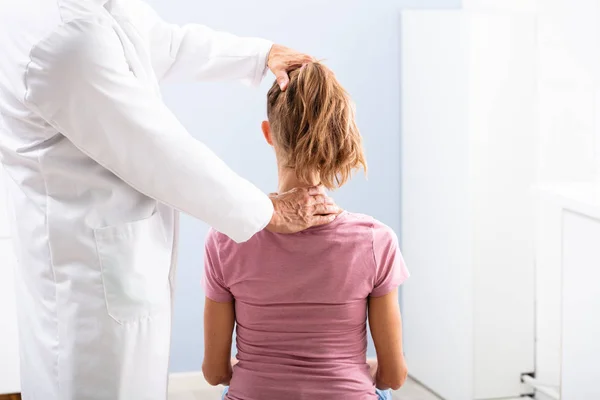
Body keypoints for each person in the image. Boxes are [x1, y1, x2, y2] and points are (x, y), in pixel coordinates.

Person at [0, 1, 340, 399]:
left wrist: (260, 54)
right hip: (85, 269)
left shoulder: (94, 12)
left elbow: (161, 42)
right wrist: (266, 209)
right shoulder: (61, 42)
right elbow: (159, 152)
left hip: (114, 248)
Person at [202, 63, 410, 400]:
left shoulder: (227, 237)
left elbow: (215, 373)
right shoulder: (375, 239)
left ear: (268, 133)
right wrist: (359, 371)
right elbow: (394, 376)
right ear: (340, 138)